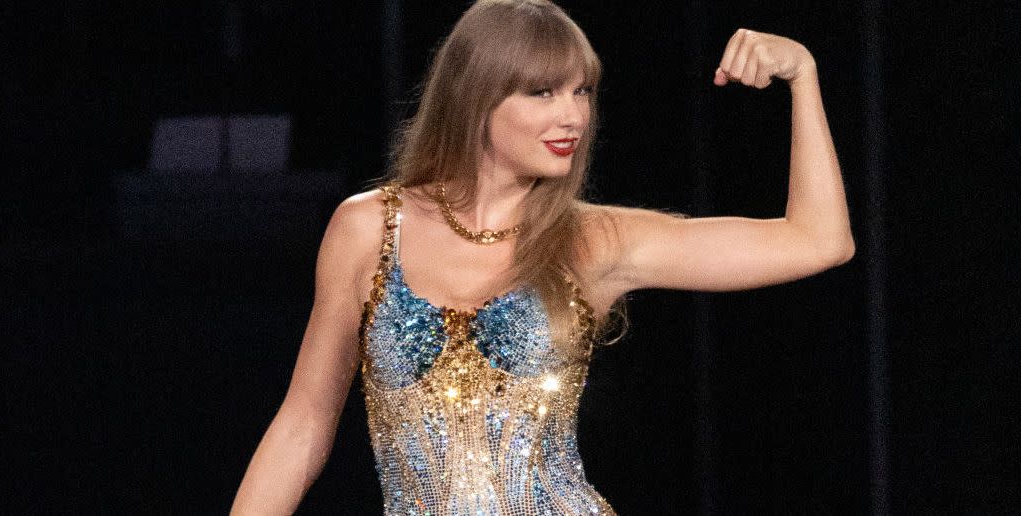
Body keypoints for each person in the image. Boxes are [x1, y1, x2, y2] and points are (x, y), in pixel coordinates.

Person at [231, 0, 854, 514]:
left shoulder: (593, 242)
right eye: (543, 92)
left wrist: (803, 74)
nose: (572, 115)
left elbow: (819, 241)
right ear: (476, 100)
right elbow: (303, 428)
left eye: (582, 91)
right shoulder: (367, 229)